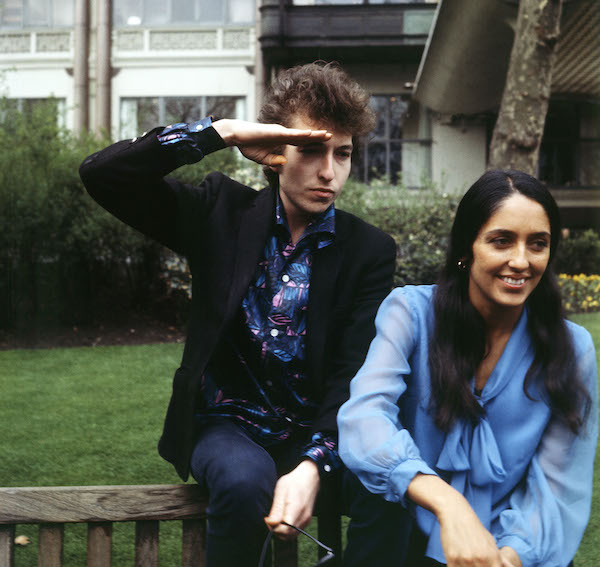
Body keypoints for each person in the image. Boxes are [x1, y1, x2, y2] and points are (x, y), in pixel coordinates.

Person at [79, 62, 397, 566]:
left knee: (394, 485)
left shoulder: (369, 250)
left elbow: (353, 374)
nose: (328, 172)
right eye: (311, 149)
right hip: (228, 426)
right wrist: (218, 134)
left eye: (343, 154)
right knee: (244, 481)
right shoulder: (221, 214)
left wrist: (316, 461)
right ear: (273, 150)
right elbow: (103, 175)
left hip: (315, 430)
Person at [337, 169, 598, 567]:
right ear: (467, 247)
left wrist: (506, 557)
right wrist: (447, 503)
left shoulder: (572, 348)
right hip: (408, 536)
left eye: (538, 244)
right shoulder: (411, 313)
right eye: (501, 241)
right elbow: (365, 419)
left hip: (512, 549)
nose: (521, 260)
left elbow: (556, 488)